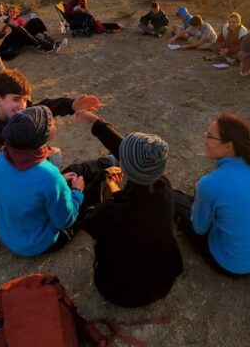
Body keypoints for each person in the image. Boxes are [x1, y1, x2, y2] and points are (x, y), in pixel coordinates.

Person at [0, 68, 101, 219]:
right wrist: (48, 163)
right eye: (16, 99)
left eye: (24, 99)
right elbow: (15, 179)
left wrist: (70, 105)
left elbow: (39, 113)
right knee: (53, 163)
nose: (22, 106)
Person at [74, 111, 183, 308]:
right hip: (161, 283)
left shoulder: (113, 211)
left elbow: (87, 219)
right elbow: (133, 156)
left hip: (119, 292)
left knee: (106, 243)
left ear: (124, 168)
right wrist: (98, 124)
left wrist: (101, 182)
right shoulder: (165, 189)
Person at [174, 114, 250, 276]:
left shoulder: (210, 183)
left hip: (232, 264)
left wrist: (200, 192)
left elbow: (199, 228)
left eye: (209, 136)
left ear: (229, 146)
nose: (205, 140)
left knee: (175, 199)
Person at [0, 106, 85, 256]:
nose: (55, 123)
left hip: (7, 232)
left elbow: (26, 186)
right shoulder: (49, 175)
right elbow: (65, 221)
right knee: (92, 191)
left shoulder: (1, 158)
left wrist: (60, 181)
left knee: (70, 174)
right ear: (43, 136)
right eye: (52, 123)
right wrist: (77, 192)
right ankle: (107, 164)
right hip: (36, 244)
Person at [0, 1, 66, 59]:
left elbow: (11, 26)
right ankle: (46, 46)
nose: (3, 10)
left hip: (15, 34)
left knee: (34, 21)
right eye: (1, 8)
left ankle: (49, 41)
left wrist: (14, 24)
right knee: (21, 30)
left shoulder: (5, 17)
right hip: (6, 41)